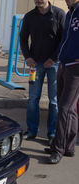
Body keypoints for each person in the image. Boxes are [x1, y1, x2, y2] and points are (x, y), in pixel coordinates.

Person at [20, 0, 66, 145]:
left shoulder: (59, 14)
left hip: (54, 64)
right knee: (33, 98)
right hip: (35, 64)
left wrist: (53, 59)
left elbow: (64, 39)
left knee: (54, 101)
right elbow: (23, 37)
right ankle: (32, 131)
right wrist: (27, 57)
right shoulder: (29, 16)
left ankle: (52, 133)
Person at [47, 0, 79, 164]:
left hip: (76, 66)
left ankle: (57, 149)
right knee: (69, 109)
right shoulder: (70, 13)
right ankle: (69, 147)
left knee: (65, 109)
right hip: (64, 63)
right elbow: (65, 38)